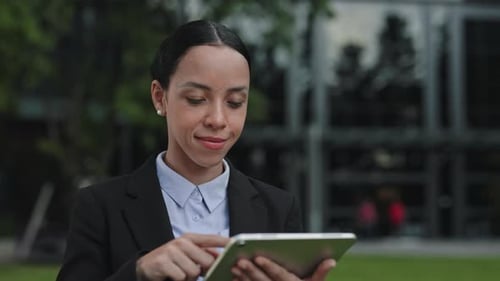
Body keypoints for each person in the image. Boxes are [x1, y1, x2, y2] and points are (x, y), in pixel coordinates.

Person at [56, 20, 336, 281]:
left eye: (235, 102)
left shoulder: (279, 209)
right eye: (196, 99)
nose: (217, 119)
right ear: (160, 97)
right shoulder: (100, 207)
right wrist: (139, 272)